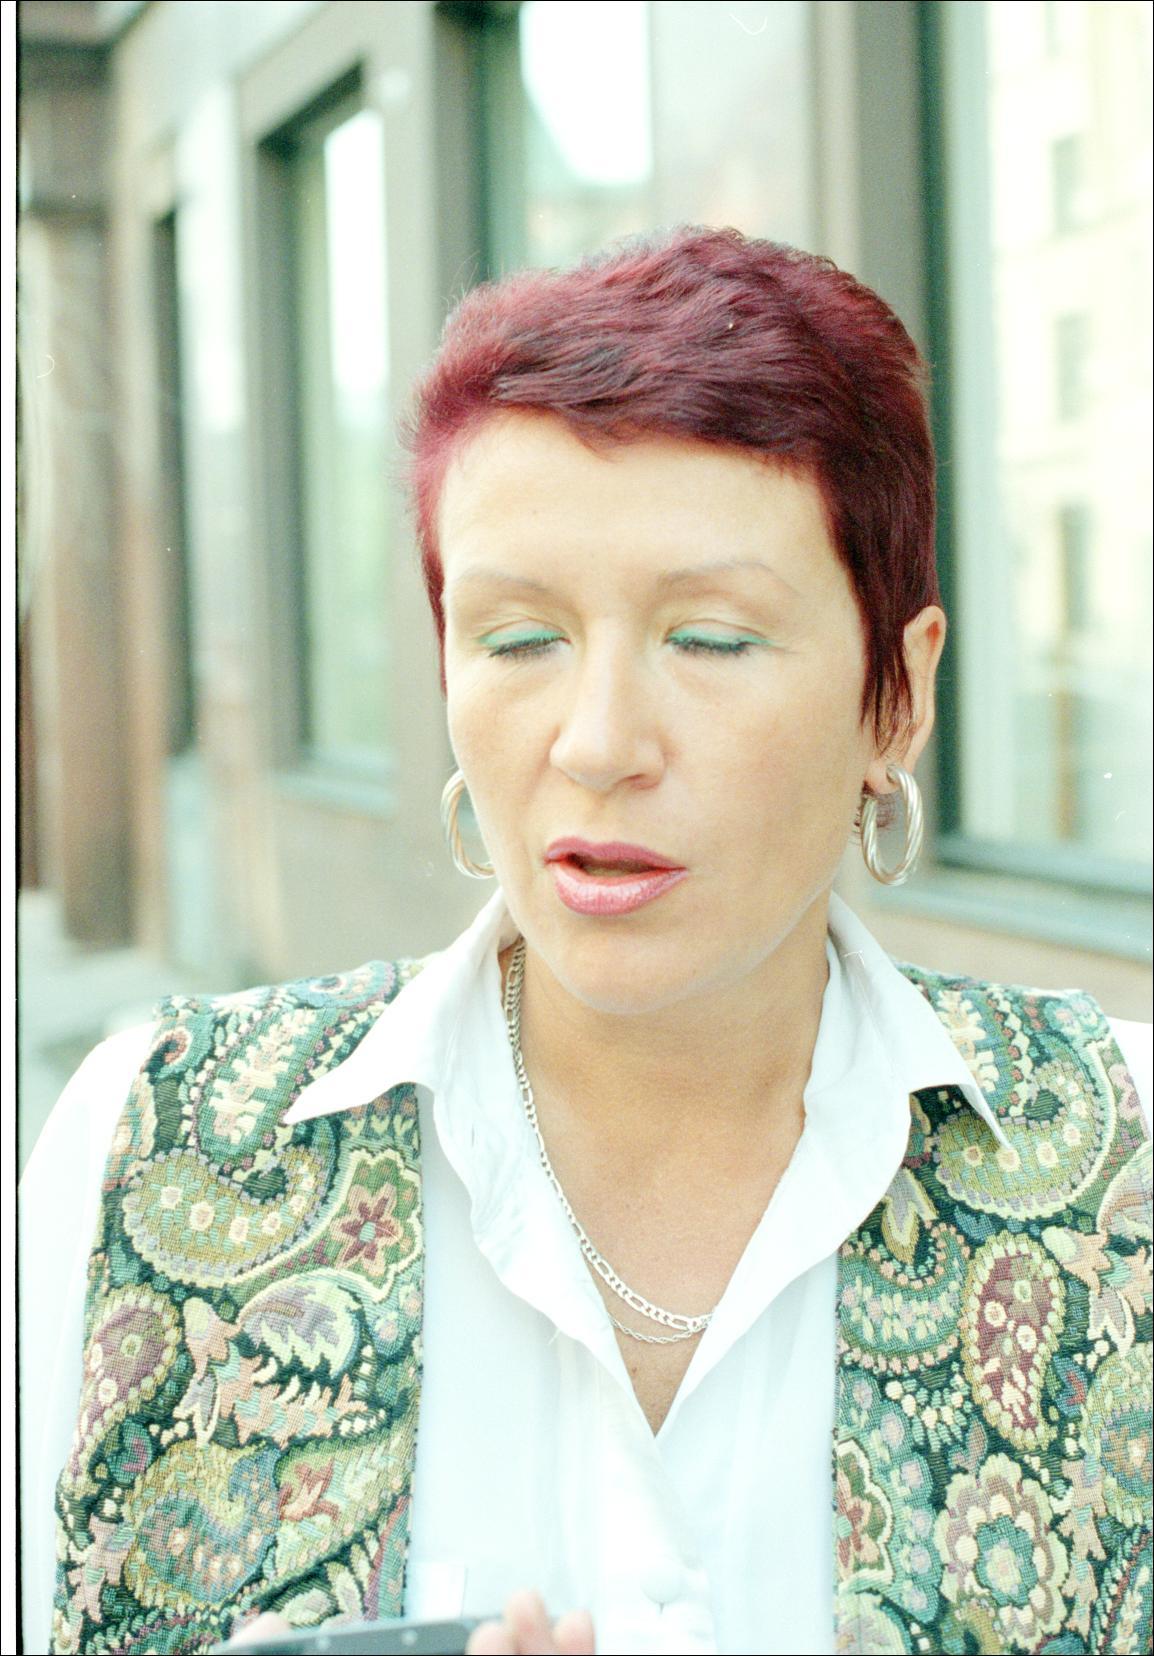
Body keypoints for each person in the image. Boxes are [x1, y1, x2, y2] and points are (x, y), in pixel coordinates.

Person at [21, 228, 1151, 1656]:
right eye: (517, 640)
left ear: (898, 694)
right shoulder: (146, 1150)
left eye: (712, 639)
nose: (599, 742)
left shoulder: (1125, 1161)